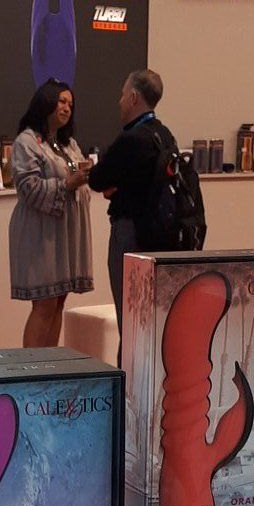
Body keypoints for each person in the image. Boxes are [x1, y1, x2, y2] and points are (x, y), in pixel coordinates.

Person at [88, 69, 176, 336]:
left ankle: (127, 363)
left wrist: (114, 188)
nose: (120, 101)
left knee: (129, 320)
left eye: (123, 95)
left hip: (131, 235)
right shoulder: (165, 135)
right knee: (153, 320)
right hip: (163, 235)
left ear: (134, 97)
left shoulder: (132, 139)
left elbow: (97, 178)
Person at [9, 80, 94, 347]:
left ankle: (51, 363)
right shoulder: (27, 141)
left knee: (58, 301)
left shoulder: (68, 144)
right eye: (61, 101)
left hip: (65, 232)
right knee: (44, 303)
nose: (67, 108)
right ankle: (33, 367)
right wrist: (67, 184)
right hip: (40, 234)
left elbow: (77, 178)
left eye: (70, 104)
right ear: (45, 102)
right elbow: (27, 187)